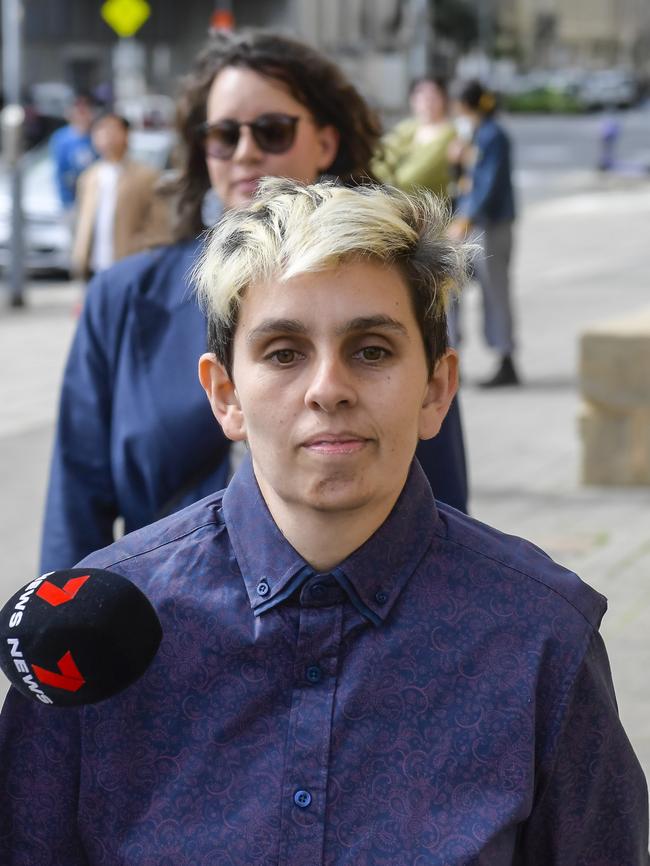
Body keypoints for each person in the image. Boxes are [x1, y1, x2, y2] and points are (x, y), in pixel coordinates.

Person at [2, 179, 648, 864]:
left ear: (436, 390)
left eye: (371, 350)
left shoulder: (540, 639)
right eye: (284, 353)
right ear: (226, 395)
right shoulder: (95, 636)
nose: (328, 387)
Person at [38, 30, 469, 574]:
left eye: (272, 130)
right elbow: (76, 505)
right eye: (223, 134)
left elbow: (441, 498)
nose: (245, 152)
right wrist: (63, 640)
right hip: (155, 629)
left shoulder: (395, 291)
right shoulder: (121, 299)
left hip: (361, 625)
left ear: (326, 143)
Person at [448, 79, 519, 388]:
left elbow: (488, 184)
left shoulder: (493, 136)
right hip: (471, 224)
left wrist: (466, 217)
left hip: (489, 226)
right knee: (450, 291)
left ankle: (506, 358)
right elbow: (466, 181)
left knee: (495, 293)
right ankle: (452, 358)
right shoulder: (473, 135)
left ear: (465, 105)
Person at [71, 111, 172, 279]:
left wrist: (143, 254)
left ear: (126, 135)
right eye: (100, 130)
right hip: (94, 267)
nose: (106, 135)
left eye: (112, 129)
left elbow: (160, 226)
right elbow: (82, 221)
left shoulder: (147, 176)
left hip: (130, 266)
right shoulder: (89, 177)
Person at [372, 74, 456, 200]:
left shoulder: (449, 134)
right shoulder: (407, 127)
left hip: (427, 210)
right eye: (421, 95)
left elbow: (411, 178)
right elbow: (377, 160)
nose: (427, 101)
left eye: (433, 96)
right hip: (393, 202)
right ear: (413, 100)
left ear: (443, 99)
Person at [49, 92, 98, 211]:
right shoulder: (61, 138)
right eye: (78, 109)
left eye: (86, 109)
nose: (82, 114)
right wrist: (66, 201)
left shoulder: (97, 135)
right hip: (72, 199)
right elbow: (59, 172)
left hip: (96, 198)